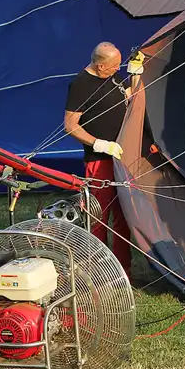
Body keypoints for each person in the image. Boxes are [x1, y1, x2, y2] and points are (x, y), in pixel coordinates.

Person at [63, 42, 142, 278]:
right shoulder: (81, 85)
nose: (118, 69)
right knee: (99, 219)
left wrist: (135, 74)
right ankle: (97, 273)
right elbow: (70, 126)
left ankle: (122, 273)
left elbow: (133, 100)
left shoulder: (113, 76)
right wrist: (99, 144)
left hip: (120, 157)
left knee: (123, 216)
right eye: (114, 65)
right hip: (100, 161)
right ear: (100, 65)